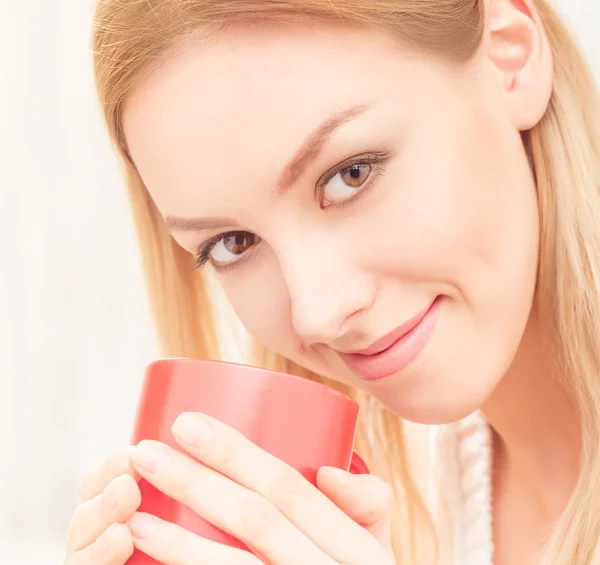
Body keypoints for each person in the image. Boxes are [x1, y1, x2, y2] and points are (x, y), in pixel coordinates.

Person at [64, 0, 600, 563]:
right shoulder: (406, 500)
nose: (316, 312)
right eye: (233, 243)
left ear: (509, 56)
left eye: (352, 174)